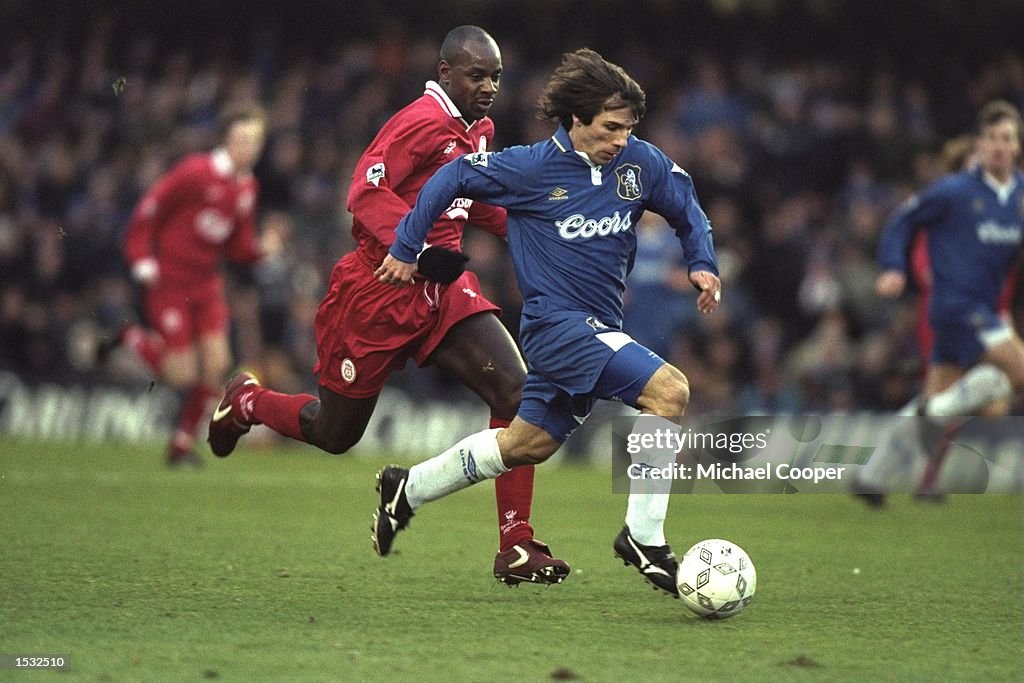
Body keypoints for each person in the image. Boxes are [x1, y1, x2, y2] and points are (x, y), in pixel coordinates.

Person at [206, 26, 570, 587]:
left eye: (496, 76)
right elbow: (363, 191)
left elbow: (469, 198)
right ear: (446, 73)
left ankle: (516, 545)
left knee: (518, 394)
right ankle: (248, 401)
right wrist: (417, 248)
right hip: (379, 289)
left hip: (441, 290)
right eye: (478, 75)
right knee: (335, 433)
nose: (490, 86)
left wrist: (535, 227)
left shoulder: (479, 128)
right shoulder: (419, 121)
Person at [372, 48, 721, 597]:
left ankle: (405, 488)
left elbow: (685, 205)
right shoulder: (529, 168)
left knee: (524, 446)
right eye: (610, 127)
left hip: (601, 325)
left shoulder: (638, 163)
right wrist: (407, 245)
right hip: (557, 327)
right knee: (669, 392)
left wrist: (702, 261)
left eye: (628, 128)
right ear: (576, 120)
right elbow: (450, 178)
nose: (621, 140)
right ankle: (644, 538)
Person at [868, 100, 1024, 498]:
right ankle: (922, 467)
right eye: (991, 139)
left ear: (1017, 146)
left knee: (958, 404)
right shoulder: (954, 195)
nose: (999, 147)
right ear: (979, 144)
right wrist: (893, 267)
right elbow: (907, 227)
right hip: (957, 309)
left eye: (1006, 139)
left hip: (988, 313)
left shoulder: (1017, 198)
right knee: (1013, 375)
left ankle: (874, 476)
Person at [117, 104, 267, 467]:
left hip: (206, 284)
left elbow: (237, 246)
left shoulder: (247, 187)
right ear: (227, 140)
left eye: (255, 142)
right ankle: (129, 337)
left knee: (217, 366)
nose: (249, 148)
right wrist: (141, 258)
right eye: (242, 140)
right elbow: (150, 208)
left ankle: (181, 445)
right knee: (180, 374)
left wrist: (263, 249)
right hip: (170, 281)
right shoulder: (195, 172)